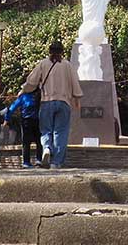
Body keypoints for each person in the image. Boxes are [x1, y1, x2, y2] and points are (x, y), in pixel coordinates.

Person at [21, 41, 82, 169]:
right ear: (62, 51)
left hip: (47, 102)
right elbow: (75, 82)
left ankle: (47, 148)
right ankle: (56, 162)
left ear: (49, 51)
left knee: (46, 130)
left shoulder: (43, 64)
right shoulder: (67, 65)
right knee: (61, 132)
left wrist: (24, 89)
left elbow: (32, 81)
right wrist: (77, 98)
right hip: (64, 102)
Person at [5, 87, 43, 168]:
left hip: (26, 121)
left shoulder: (24, 97)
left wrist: (6, 118)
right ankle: (39, 160)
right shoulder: (41, 95)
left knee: (26, 142)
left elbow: (12, 108)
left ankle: (26, 162)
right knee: (39, 141)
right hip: (38, 120)